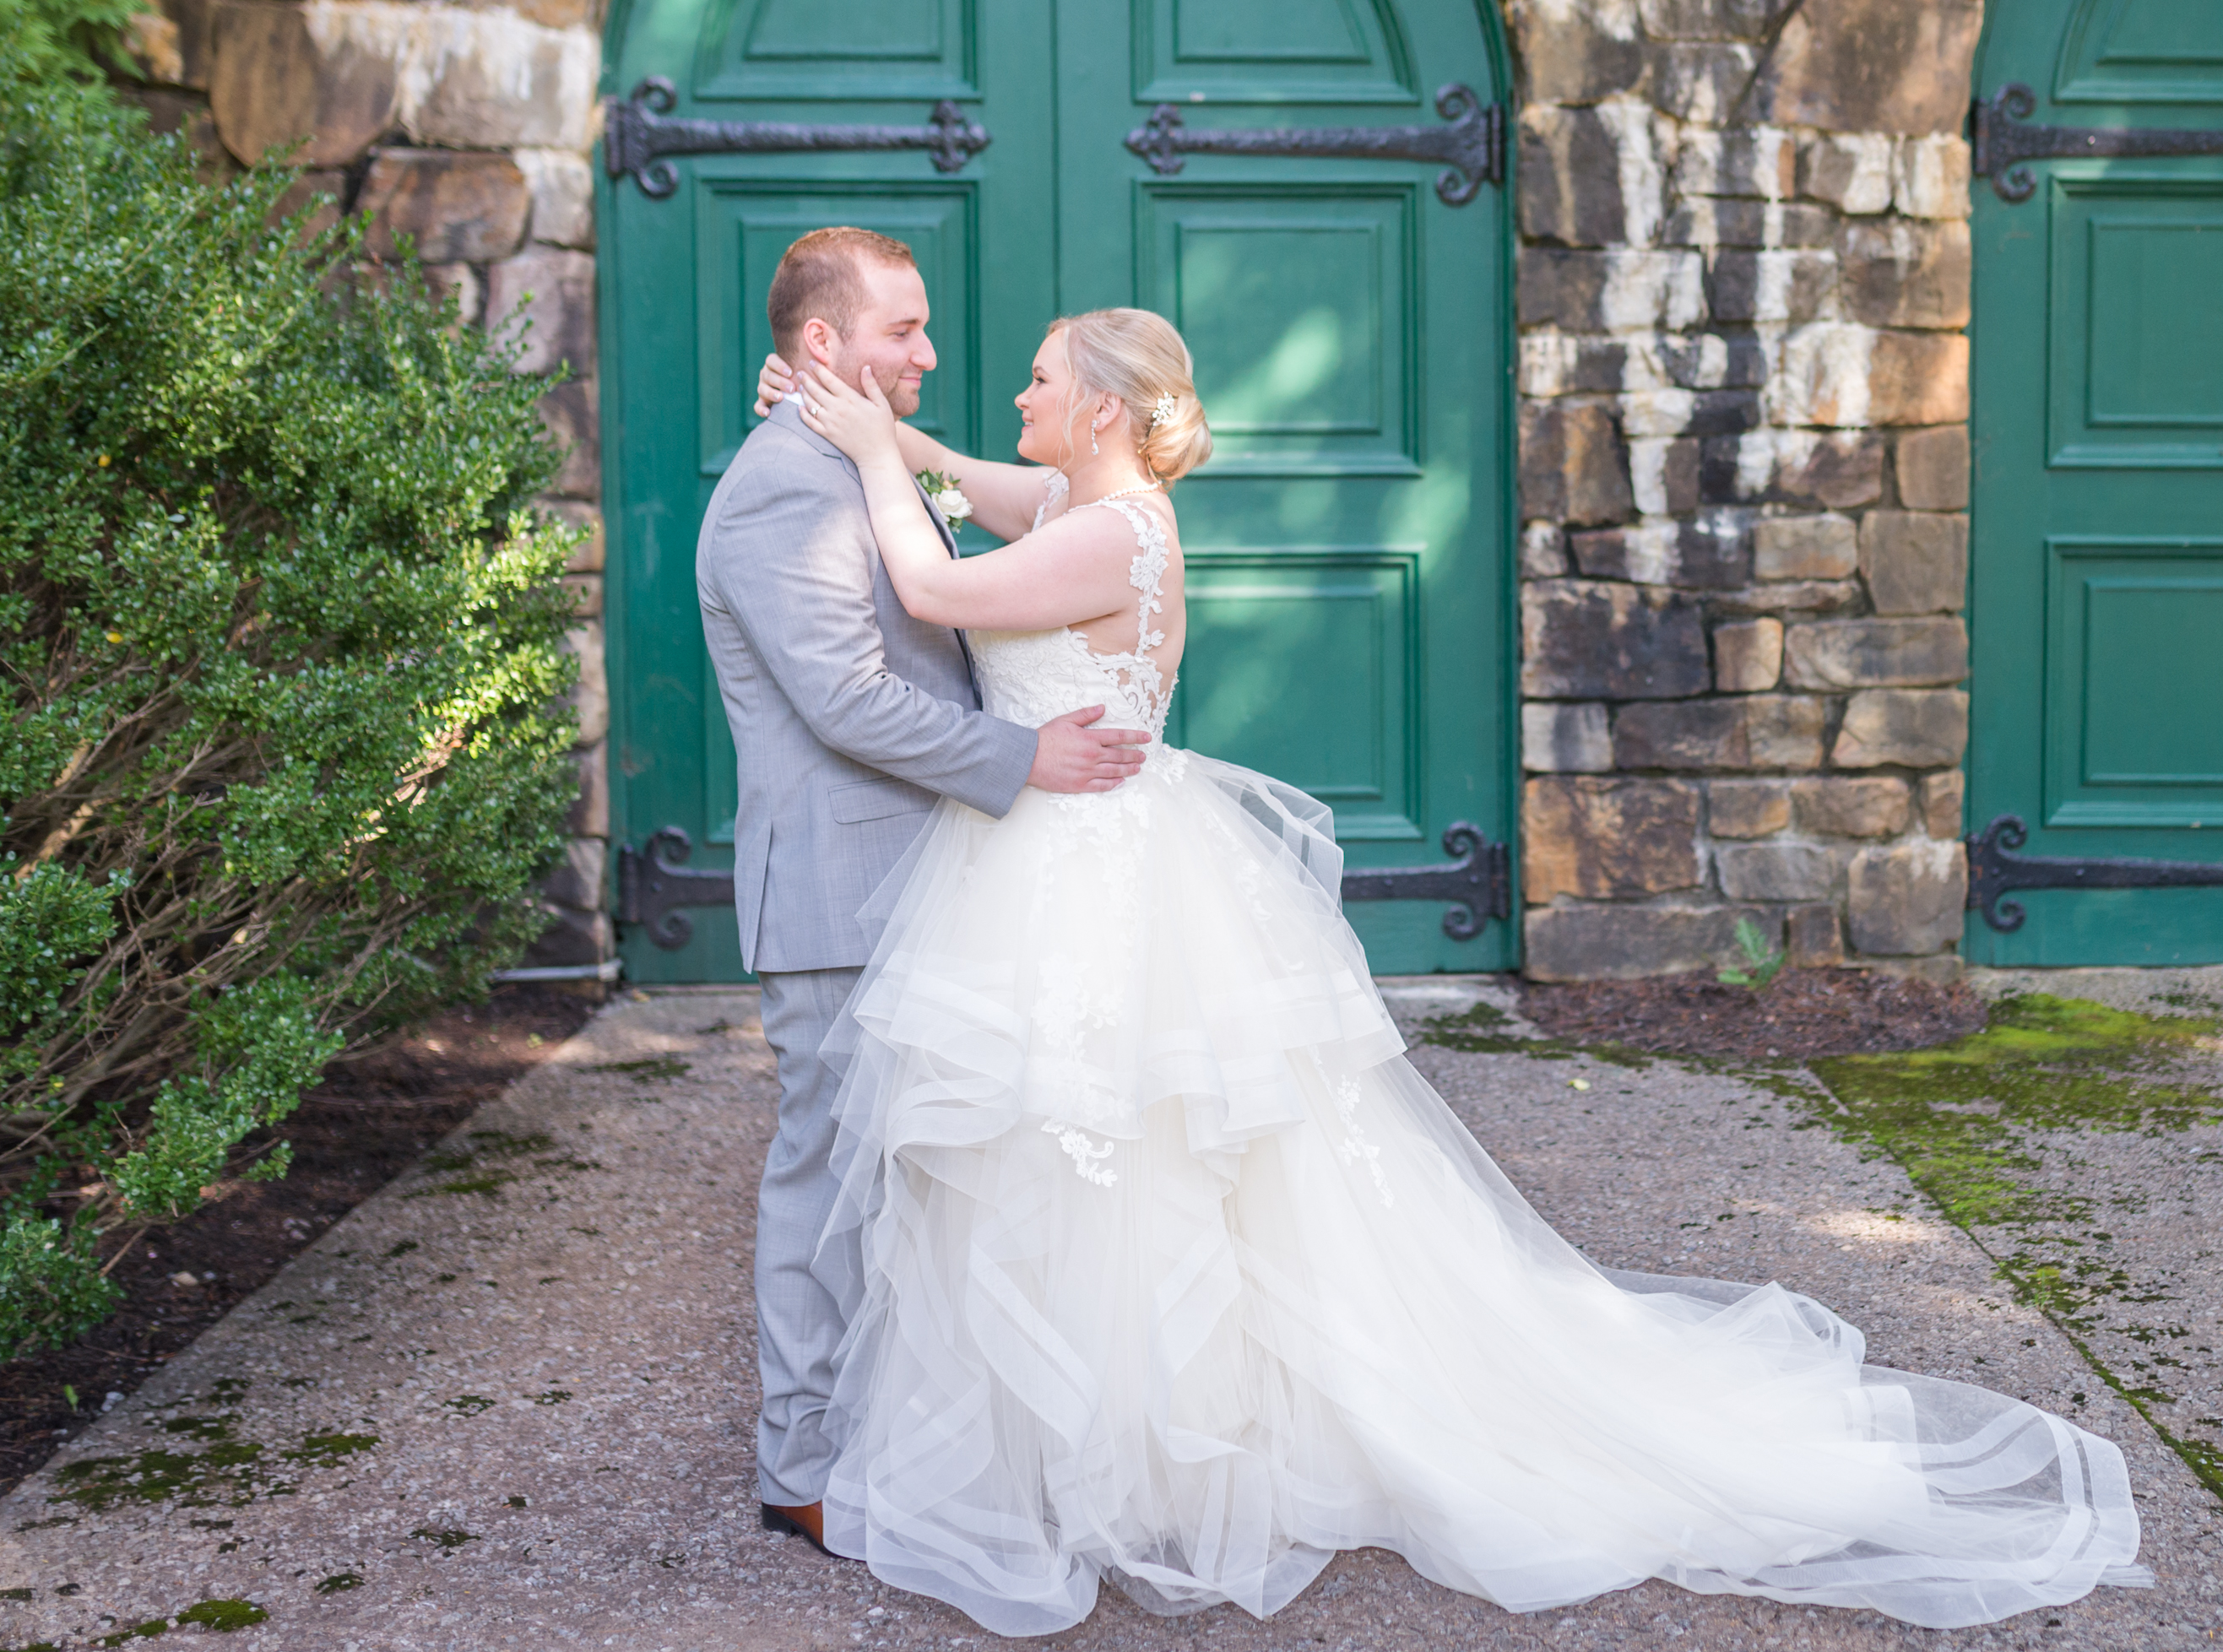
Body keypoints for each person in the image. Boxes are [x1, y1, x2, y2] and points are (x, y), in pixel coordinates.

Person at [751, 306, 2149, 1633]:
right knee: (1074, 1161)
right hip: (1068, 859)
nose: (1020, 394)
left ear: (1103, 409)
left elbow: (930, 583)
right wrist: (873, 422)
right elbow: (970, 480)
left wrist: (868, 457)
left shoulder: (1109, 534)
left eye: (1044, 379)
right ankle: (1096, 1440)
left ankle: (1139, 1452)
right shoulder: (1079, 501)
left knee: (1122, 1155)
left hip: (1088, 874)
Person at [695, 228, 1152, 1559]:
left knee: (928, 1188)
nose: (931, 353)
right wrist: (1021, 758)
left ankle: (916, 1441)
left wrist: (890, 440)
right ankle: (802, 1470)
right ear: (821, 343)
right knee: (830, 1182)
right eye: (902, 331)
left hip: (931, 878)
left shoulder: (854, 455)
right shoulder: (783, 489)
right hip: (840, 889)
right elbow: (845, 699)